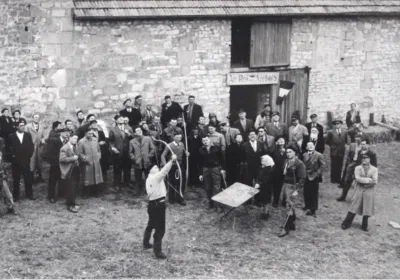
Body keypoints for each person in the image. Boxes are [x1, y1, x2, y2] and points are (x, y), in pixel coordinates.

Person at [143, 154, 177, 259]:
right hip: (158, 205)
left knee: (151, 224)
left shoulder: (150, 178)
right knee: (160, 228)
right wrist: (172, 160)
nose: (158, 168)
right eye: (155, 167)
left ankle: (146, 243)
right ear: (151, 170)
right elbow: (164, 171)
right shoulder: (155, 177)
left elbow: (162, 171)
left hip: (152, 205)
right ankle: (158, 252)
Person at [341, 154, 378, 232]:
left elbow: (375, 180)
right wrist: (368, 180)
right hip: (359, 189)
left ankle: (364, 225)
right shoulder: (357, 168)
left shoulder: (374, 169)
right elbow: (357, 178)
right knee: (354, 206)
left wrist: (365, 180)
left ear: (370, 159)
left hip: (369, 190)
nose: (364, 159)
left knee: (367, 207)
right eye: (362, 158)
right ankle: (346, 223)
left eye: (366, 158)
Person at [278, 145, 306, 238]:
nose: (288, 154)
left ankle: (286, 228)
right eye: (287, 152)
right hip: (285, 184)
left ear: (295, 152)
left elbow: (302, 178)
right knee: (289, 204)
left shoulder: (299, 163)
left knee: (289, 206)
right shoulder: (286, 161)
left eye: (290, 152)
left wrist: (297, 190)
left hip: (293, 186)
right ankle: (292, 223)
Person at [337, 137, 377, 202]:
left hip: (365, 172)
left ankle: (362, 200)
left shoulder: (372, 154)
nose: (362, 145)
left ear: (368, 145)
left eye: (364, 144)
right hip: (356, 169)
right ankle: (343, 196)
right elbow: (357, 161)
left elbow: (374, 166)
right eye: (361, 144)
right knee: (347, 181)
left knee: (362, 186)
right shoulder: (359, 152)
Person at [8, 119, 34, 201]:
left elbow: (31, 147)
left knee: (28, 178)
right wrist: (12, 157)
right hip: (15, 162)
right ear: (16, 127)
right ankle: (16, 196)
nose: (23, 127)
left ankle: (29, 194)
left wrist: (28, 156)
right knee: (16, 179)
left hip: (26, 160)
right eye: (21, 125)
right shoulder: (11, 136)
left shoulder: (28, 135)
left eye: (24, 125)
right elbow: (8, 149)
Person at [160, 133, 188, 206]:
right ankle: (171, 198)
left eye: (180, 137)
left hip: (180, 166)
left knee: (182, 182)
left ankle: (180, 198)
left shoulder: (182, 144)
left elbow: (184, 152)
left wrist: (187, 153)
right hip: (172, 166)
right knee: (172, 182)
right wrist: (165, 165)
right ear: (174, 137)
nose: (179, 139)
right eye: (177, 137)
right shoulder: (169, 145)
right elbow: (163, 155)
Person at [198, 135, 226, 209]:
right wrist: (200, 174)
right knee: (208, 187)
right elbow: (199, 163)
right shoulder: (201, 150)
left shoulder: (216, 148)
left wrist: (223, 169)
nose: (205, 142)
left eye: (206, 140)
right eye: (203, 141)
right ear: (202, 142)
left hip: (215, 169)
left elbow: (222, 159)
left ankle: (218, 205)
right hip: (206, 169)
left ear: (209, 140)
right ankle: (210, 203)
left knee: (217, 187)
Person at [77, 127, 103, 197]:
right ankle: (85, 193)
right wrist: (85, 159)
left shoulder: (95, 140)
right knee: (87, 178)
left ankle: (95, 192)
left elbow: (98, 150)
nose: (91, 135)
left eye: (92, 133)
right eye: (89, 133)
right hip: (87, 163)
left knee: (96, 177)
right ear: (85, 133)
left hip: (96, 162)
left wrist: (98, 156)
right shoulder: (81, 141)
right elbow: (80, 153)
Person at [109, 115, 133, 189]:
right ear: (116, 121)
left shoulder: (129, 128)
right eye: (119, 119)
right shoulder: (113, 129)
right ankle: (117, 184)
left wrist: (129, 134)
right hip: (117, 152)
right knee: (117, 168)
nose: (121, 120)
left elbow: (132, 139)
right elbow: (110, 140)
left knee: (127, 168)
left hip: (127, 151)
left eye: (122, 118)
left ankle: (127, 182)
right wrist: (113, 148)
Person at [129, 126, 155, 195]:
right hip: (137, 162)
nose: (139, 131)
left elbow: (152, 149)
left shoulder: (148, 138)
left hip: (146, 161)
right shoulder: (132, 141)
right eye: (137, 130)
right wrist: (134, 158)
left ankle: (149, 190)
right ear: (135, 133)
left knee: (148, 177)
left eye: (140, 130)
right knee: (138, 178)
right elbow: (130, 152)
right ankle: (138, 190)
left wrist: (149, 156)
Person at [302, 142, 325, 217]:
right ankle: (307, 206)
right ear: (306, 147)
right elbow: (303, 164)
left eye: (312, 145)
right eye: (309, 145)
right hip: (306, 175)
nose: (310, 147)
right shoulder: (304, 155)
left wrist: (318, 173)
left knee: (314, 193)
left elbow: (322, 165)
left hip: (314, 176)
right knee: (306, 191)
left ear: (314, 146)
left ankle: (313, 209)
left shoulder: (318, 155)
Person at [47, 128, 69, 203]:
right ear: (61, 133)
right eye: (65, 132)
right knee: (53, 180)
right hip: (55, 164)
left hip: (64, 164)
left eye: (68, 133)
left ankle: (61, 193)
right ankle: (51, 196)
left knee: (63, 178)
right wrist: (55, 161)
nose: (67, 134)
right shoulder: (54, 141)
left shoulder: (68, 142)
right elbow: (49, 153)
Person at [59, 134, 80, 213]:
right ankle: (70, 205)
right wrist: (73, 158)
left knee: (74, 187)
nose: (76, 140)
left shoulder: (75, 146)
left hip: (75, 169)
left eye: (77, 138)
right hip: (69, 171)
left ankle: (73, 202)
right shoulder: (64, 148)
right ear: (69, 138)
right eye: (74, 138)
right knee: (70, 188)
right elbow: (62, 159)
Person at [325, 118, 349, 184]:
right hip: (334, 150)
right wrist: (332, 146)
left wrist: (343, 146)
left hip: (341, 150)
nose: (337, 125)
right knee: (334, 164)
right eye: (335, 124)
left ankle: (338, 179)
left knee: (340, 164)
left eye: (338, 124)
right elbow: (327, 141)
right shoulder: (330, 132)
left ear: (341, 124)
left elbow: (346, 141)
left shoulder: (345, 131)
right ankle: (333, 179)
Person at [25, 113, 46, 183]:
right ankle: (31, 178)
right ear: (33, 118)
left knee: (40, 162)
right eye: (35, 117)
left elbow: (43, 136)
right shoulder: (28, 126)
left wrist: (43, 140)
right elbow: (25, 136)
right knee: (32, 162)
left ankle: (40, 177)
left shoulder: (41, 127)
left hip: (39, 147)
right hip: (31, 147)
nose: (37, 118)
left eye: (38, 117)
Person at [254, 155, 275, 219]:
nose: (261, 161)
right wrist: (257, 182)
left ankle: (265, 214)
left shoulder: (270, 169)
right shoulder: (261, 167)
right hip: (261, 186)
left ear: (267, 161)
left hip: (266, 188)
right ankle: (264, 211)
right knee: (263, 200)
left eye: (263, 160)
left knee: (266, 201)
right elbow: (258, 176)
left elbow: (267, 180)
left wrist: (260, 184)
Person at [90, 120, 110, 185]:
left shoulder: (101, 132)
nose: (95, 125)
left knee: (103, 168)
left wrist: (104, 143)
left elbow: (105, 141)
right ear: (90, 126)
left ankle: (104, 184)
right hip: (94, 153)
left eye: (96, 124)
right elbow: (89, 143)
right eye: (93, 124)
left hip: (103, 152)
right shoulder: (90, 133)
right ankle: (96, 184)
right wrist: (98, 143)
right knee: (96, 168)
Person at [271, 136, 286, 208]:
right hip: (277, 172)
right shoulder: (274, 150)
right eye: (279, 140)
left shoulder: (288, 149)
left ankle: (285, 202)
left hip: (286, 171)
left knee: (287, 187)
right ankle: (275, 201)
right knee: (277, 187)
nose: (281, 141)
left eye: (282, 140)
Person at [0, 140, 15, 215]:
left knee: (6, 191)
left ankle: (10, 207)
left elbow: (1, 163)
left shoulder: (0, 153)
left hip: (2, 175)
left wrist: (4, 172)